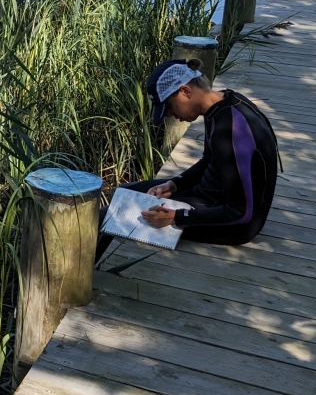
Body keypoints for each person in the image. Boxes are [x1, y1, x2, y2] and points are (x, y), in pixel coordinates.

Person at [97, 58, 279, 260]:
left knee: (112, 217)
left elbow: (242, 212)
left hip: (233, 224)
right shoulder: (225, 103)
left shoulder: (230, 130)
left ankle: (92, 270)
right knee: (125, 193)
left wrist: (177, 217)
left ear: (185, 91)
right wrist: (174, 184)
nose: (170, 115)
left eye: (170, 106)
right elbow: (210, 161)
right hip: (209, 196)